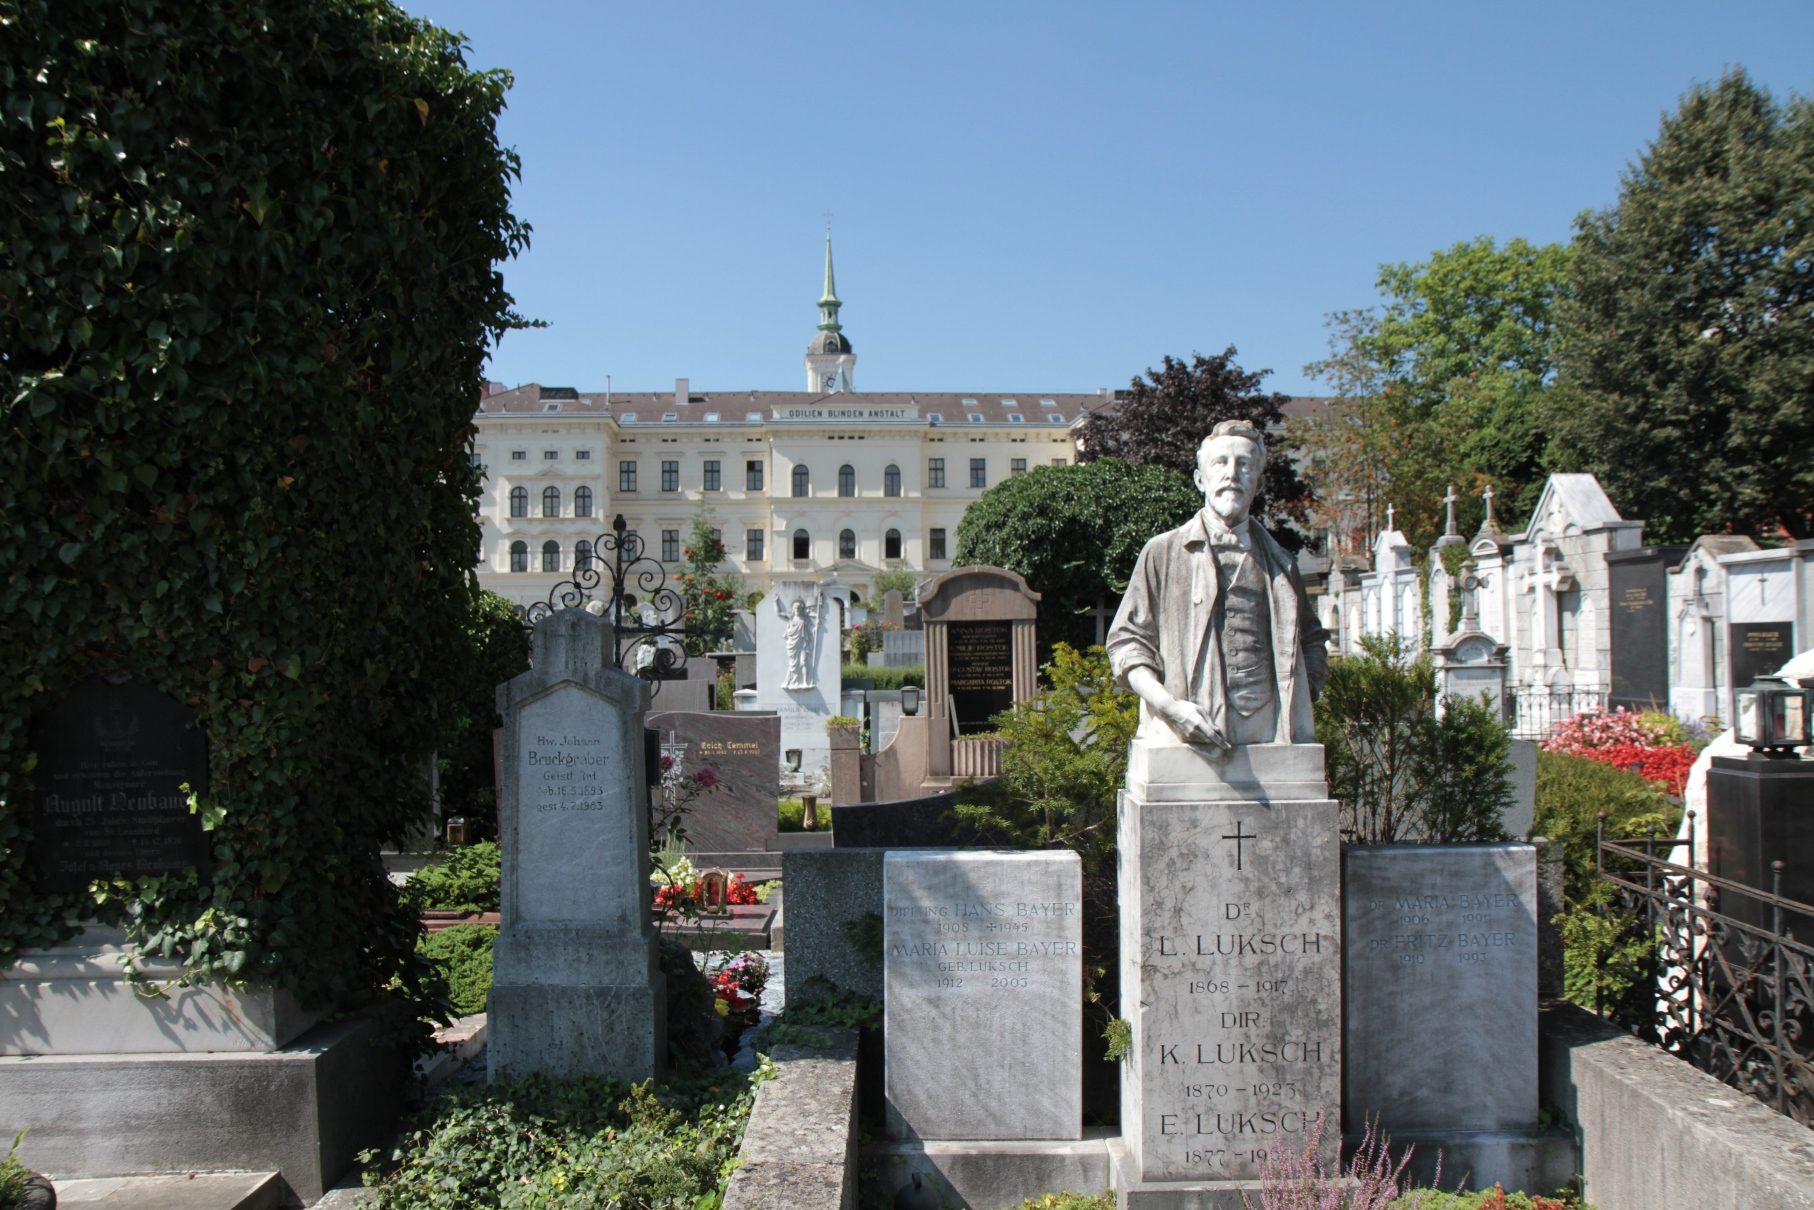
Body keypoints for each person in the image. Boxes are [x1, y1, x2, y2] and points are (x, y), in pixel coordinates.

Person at [1106, 420, 1328, 752]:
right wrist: (1170, 708)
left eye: (1245, 465)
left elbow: (1312, 640)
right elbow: (1127, 643)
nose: (1232, 474)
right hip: (1184, 730)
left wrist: (1301, 692)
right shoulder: (1162, 553)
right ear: (1200, 478)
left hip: (1272, 732)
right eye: (1220, 463)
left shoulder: (1283, 563)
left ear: (1258, 481)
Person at [783, 597, 816, 689]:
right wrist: (775, 602)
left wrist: (817, 626)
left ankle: (805, 682)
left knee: (804, 662)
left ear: (802, 609)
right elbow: (779, 613)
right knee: (793, 664)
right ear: (793, 609)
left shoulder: (805, 620)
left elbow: (811, 630)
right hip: (792, 646)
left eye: (799, 608)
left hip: (803, 644)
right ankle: (792, 681)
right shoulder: (791, 620)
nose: (797, 609)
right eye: (795, 608)